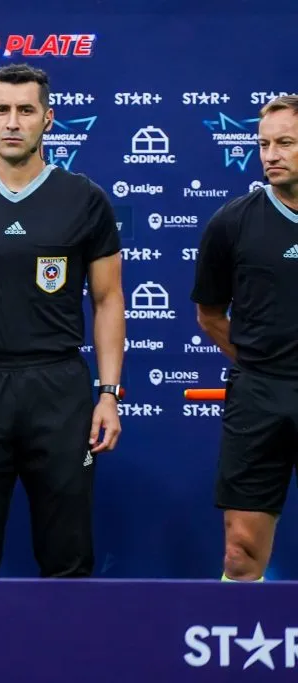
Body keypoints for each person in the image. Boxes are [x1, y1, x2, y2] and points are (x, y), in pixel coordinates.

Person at [0, 64, 125, 579]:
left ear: (48, 118)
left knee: (68, 554)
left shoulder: (84, 198)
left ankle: (71, 637)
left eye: (26, 110)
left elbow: (108, 299)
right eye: (1, 110)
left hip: (58, 388)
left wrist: (108, 394)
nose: (12, 122)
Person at [191, 94, 298, 583]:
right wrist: (262, 360)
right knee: (240, 553)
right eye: (264, 144)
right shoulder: (231, 222)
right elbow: (210, 314)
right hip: (258, 397)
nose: (271, 155)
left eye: (285, 143)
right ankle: (236, 634)